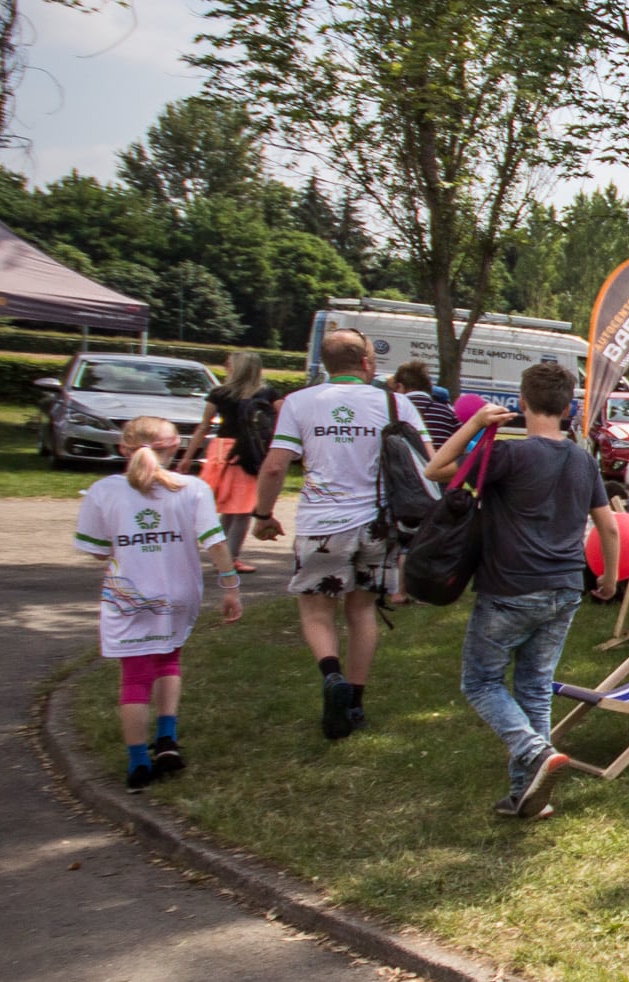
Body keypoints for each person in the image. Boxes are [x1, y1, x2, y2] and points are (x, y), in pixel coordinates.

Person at [422, 359, 622, 820]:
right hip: (565, 587)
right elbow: (608, 528)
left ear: (522, 403)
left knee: (481, 680)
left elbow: (437, 468)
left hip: (510, 587)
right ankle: (528, 795)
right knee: (533, 686)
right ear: (569, 406)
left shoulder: (508, 457)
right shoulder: (582, 459)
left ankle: (532, 752)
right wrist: (608, 580)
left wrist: (473, 421)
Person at [248, 328, 421, 739]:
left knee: (316, 611)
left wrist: (263, 514)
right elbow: (424, 462)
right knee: (361, 611)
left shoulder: (299, 403)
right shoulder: (395, 403)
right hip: (377, 523)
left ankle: (331, 675)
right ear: (366, 362)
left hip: (321, 523)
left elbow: (275, 466)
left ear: (326, 364)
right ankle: (356, 703)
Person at [77, 414, 244, 788]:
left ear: (123, 448)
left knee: (135, 677)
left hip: (129, 595)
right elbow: (216, 542)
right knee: (169, 658)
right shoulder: (192, 488)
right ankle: (166, 738)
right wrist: (230, 586)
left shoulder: (102, 491)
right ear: (175, 447)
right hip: (180, 592)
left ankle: (138, 761)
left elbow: (96, 551)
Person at [197, 350, 280, 565]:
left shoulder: (220, 393)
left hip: (223, 451)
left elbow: (204, 426)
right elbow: (283, 419)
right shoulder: (267, 394)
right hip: (251, 451)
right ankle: (230, 559)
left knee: (229, 510)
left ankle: (220, 556)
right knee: (242, 510)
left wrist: (188, 456)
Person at [388, 361, 461, 447]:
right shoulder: (449, 413)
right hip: (440, 459)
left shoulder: (392, 411)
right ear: (428, 385)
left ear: (400, 386)